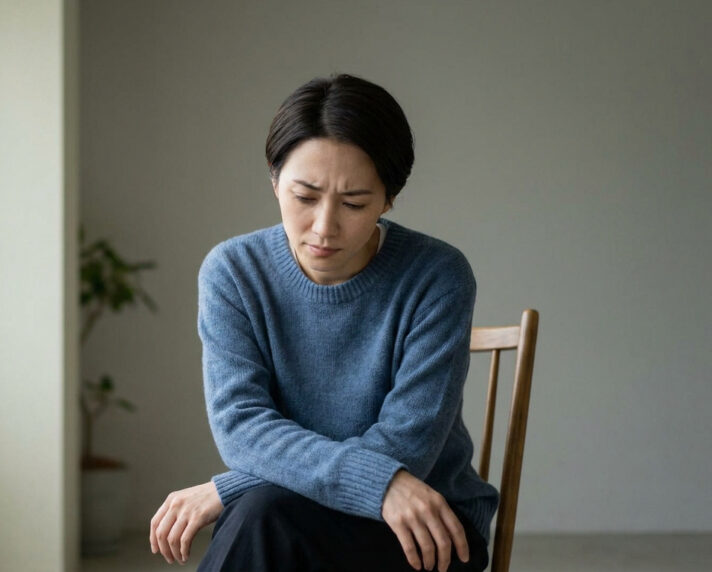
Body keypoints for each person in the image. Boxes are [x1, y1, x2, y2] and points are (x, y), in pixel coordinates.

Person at [148, 73, 499, 572]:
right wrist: (252, 481)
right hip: (283, 511)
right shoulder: (234, 272)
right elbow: (241, 427)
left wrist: (233, 484)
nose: (324, 226)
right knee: (267, 515)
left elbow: (406, 448)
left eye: (354, 203)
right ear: (274, 180)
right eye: (305, 196)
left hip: (424, 522)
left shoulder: (436, 275)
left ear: (389, 198)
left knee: (262, 515)